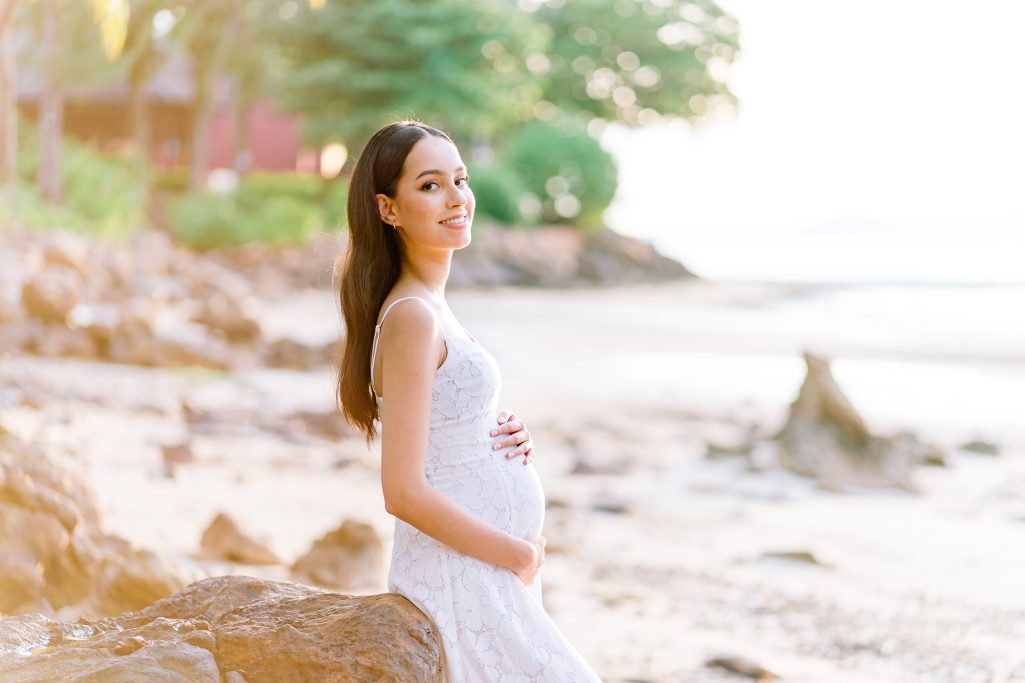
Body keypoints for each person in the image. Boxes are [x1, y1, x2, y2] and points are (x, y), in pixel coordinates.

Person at [337, 121, 603, 682]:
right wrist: (516, 553)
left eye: (460, 179)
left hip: (484, 569)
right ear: (389, 209)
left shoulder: (432, 305)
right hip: (460, 575)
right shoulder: (411, 315)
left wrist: (499, 431)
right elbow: (402, 491)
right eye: (430, 185)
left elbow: (446, 425)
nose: (457, 197)